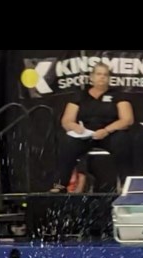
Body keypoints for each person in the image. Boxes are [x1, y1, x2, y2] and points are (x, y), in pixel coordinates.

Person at [50, 63, 134, 193]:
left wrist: (106, 130)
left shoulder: (118, 95)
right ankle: (60, 185)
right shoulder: (80, 96)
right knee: (66, 143)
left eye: (105, 75)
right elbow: (66, 120)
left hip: (109, 133)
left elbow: (127, 119)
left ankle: (126, 183)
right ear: (92, 77)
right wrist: (75, 127)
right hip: (86, 134)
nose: (102, 77)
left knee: (122, 141)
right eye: (99, 74)